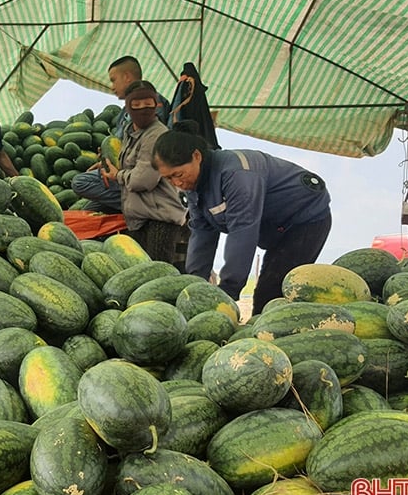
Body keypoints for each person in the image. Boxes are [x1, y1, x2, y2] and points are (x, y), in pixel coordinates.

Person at [152, 120, 332, 316]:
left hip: (306, 220)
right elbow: (202, 234)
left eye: (178, 174)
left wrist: (227, 292)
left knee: (269, 294)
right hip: (276, 228)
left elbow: (243, 233)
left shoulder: (237, 175)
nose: (177, 183)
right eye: (169, 178)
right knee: (267, 293)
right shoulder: (195, 185)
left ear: (197, 156)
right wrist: (195, 287)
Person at [99, 81, 189, 269]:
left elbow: (143, 180)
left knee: (156, 275)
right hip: (139, 218)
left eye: (148, 103)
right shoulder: (129, 132)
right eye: (136, 105)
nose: (142, 109)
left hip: (159, 218)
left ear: (156, 104)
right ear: (128, 107)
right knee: (139, 275)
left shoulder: (157, 135)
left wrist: (118, 175)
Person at [71, 56, 170, 213]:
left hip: (138, 176)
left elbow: (149, 144)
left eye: (113, 80)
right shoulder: (125, 112)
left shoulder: (153, 103)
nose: (112, 86)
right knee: (88, 211)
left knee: (79, 182)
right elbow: (119, 145)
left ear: (127, 77)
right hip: (120, 177)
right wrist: (105, 161)